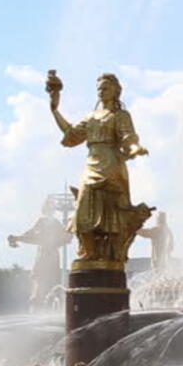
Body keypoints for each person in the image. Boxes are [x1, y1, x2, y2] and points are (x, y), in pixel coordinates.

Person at [47, 71, 152, 263]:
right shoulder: (92, 117)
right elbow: (71, 133)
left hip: (112, 163)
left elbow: (128, 137)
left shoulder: (120, 115)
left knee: (111, 210)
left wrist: (136, 148)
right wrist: (54, 109)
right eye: (99, 89)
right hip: (92, 163)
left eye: (105, 88)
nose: (101, 92)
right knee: (82, 209)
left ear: (116, 91)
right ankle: (90, 252)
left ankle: (109, 254)